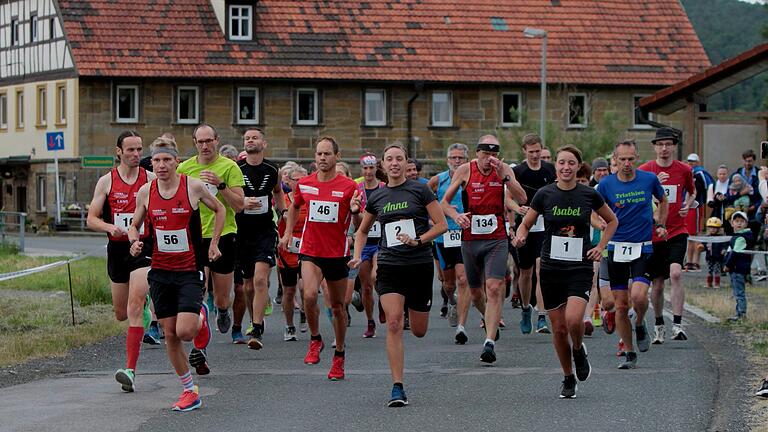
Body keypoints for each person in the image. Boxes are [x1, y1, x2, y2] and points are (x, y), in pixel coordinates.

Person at [127, 138, 225, 412]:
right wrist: (134, 240)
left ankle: (201, 318)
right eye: (156, 160)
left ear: (177, 162)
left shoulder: (192, 186)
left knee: (185, 331)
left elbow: (220, 209)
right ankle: (189, 391)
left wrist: (214, 243)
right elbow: (134, 224)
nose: (161, 165)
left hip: (189, 270)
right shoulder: (146, 192)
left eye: (166, 160)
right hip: (160, 271)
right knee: (170, 334)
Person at [513, 145, 617, 398]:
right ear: (556, 166)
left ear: (578, 166)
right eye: (561, 163)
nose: (566, 167)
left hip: (579, 267)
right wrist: (520, 236)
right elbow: (526, 223)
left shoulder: (589, 194)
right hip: (550, 268)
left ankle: (579, 349)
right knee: (558, 329)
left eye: (571, 163)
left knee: (572, 320)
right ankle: (568, 376)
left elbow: (612, 221)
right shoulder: (544, 194)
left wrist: (600, 246)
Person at [349, 143, 448, 407]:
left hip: (418, 264)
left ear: (406, 163)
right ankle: (397, 386)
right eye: (389, 159)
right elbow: (361, 231)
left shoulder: (420, 190)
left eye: (399, 159)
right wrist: (358, 255)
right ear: (383, 164)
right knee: (393, 324)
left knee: (418, 331)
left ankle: (409, 309)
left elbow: (441, 225)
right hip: (390, 264)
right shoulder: (378, 197)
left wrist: (419, 239)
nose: (394, 163)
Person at [279, 136, 362, 380]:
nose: (322, 158)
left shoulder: (349, 186)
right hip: (311, 250)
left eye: (327, 154)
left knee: (337, 307)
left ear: (337, 156)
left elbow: (358, 221)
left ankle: (339, 354)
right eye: (319, 154)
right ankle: (315, 339)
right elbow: (294, 207)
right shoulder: (304, 183)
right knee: (308, 293)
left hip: (336, 253)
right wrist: (286, 233)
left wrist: (356, 212)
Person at [441, 134, 526, 363]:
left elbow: (522, 197)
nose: (490, 159)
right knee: (476, 292)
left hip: (496, 238)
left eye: (494, 154)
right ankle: (488, 317)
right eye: (486, 154)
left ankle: (489, 342)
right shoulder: (465, 170)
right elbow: (445, 203)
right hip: (470, 239)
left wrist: (505, 178)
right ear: (477, 153)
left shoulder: (504, 169)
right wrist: (457, 216)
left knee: (494, 287)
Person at [87, 131, 157, 392]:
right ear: (119, 151)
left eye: (139, 149)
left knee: (134, 306)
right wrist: (109, 226)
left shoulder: (150, 180)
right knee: (120, 313)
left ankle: (130, 370)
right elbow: (91, 218)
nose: (136, 154)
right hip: (117, 250)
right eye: (130, 150)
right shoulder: (106, 182)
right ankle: (146, 307)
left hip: (143, 247)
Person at [599, 139, 668, 368]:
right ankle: (629, 352)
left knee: (638, 297)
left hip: (643, 246)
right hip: (616, 247)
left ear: (636, 158)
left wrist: (661, 223)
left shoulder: (648, 179)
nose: (626, 163)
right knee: (620, 305)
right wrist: (598, 224)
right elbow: (591, 207)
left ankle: (639, 322)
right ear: (615, 160)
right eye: (622, 159)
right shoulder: (606, 184)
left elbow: (663, 199)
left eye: (630, 159)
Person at [177, 124, 245, 335]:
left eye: (209, 141)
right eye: (201, 142)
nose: (205, 146)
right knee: (198, 289)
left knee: (222, 297)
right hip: (195, 236)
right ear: (194, 143)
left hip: (224, 233)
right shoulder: (184, 169)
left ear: (217, 140)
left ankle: (223, 310)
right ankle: (200, 330)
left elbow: (239, 206)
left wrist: (221, 184)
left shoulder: (229, 167)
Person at [638, 127, 695, 344]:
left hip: (677, 230)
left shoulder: (684, 169)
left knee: (677, 273)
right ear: (654, 147)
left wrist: (687, 205)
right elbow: (639, 200)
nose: (664, 148)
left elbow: (693, 191)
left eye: (668, 144)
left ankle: (678, 325)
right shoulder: (645, 171)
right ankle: (659, 324)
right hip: (653, 233)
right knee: (658, 283)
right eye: (660, 144)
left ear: (674, 146)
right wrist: (654, 184)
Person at [429, 143, 485, 344]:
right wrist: (431, 217)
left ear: (467, 159)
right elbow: (423, 199)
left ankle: (461, 326)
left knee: (463, 279)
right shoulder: (438, 180)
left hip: (466, 235)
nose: (457, 161)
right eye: (453, 158)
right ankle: (452, 301)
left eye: (460, 158)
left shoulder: (472, 177)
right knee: (448, 283)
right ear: (447, 160)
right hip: (443, 235)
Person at [235, 128, 285, 350]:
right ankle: (254, 317)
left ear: (263, 143)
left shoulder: (273, 169)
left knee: (260, 280)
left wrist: (282, 210)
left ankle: (256, 327)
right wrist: (241, 203)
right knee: (247, 286)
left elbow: (277, 191)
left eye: (254, 138)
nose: (250, 141)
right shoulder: (236, 169)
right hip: (242, 230)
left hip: (265, 230)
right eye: (247, 138)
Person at [512, 133, 557, 334]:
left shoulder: (549, 169)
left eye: (538, 151)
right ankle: (525, 308)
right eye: (531, 152)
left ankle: (541, 315)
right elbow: (507, 198)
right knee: (525, 272)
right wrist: (517, 208)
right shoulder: (519, 172)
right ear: (524, 151)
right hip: (525, 226)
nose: (535, 155)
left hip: (545, 226)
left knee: (541, 269)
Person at [218, 145, 247, 344]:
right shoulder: (208, 176)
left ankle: (237, 328)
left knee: (240, 288)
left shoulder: (239, 178)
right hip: (218, 234)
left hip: (242, 236)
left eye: (233, 160)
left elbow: (239, 204)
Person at [277, 165, 308, 340]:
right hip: (288, 249)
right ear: (289, 181)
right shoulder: (283, 201)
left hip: (307, 248)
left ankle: (305, 312)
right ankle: (289, 325)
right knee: (289, 291)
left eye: (304, 180)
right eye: (298, 180)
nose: (301, 183)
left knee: (306, 288)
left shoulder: (310, 200)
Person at [357, 153, 386, 338]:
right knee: (366, 287)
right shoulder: (357, 189)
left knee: (376, 277)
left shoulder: (384, 188)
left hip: (382, 242)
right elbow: (355, 218)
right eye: (365, 168)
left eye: (371, 168)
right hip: (365, 242)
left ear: (376, 168)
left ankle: (383, 302)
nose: (368, 172)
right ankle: (370, 321)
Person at [723, 211, 754, 321]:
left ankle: (741, 314)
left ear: (746, 223)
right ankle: (739, 313)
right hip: (740, 267)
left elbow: (735, 253)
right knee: (738, 291)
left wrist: (727, 265)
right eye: (736, 221)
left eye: (742, 221)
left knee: (739, 292)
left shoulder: (741, 237)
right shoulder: (739, 236)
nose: (739, 223)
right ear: (732, 223)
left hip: (737, 268)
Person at [684, 153, 713, 271]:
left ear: (697, 162)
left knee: (694, 234)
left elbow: (709, 186)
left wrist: (703, 201)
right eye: (689, 161)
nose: (690, 163)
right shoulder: (686, 173)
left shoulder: (700, 173)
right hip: (686, 206)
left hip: (695, 206)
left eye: (693, 161)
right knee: (688, 235)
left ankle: (694, 261)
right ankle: (688, 261)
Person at [703, 217, 726, 289]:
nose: (712, 229)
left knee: (717, 270)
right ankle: (709, 283)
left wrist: (723, 249)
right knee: (709, 270)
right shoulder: (707, 237)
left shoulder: (721, 237)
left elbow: (724, 244)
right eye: (710, 227)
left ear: (718, 228)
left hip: (718, 257)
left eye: (714, 228)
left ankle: (717, 283)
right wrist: (701, 247)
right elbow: (703, 244)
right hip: (709, 257)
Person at [707, 165, 730, 229]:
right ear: (717, 175)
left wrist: (726, 198)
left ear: (727, 174)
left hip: (729, 212)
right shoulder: (712, 186)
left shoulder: (731, 185)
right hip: (717, 213)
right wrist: (717, 200)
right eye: (720, 174)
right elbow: (709, 203)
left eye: (724, 174)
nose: (722, 176)